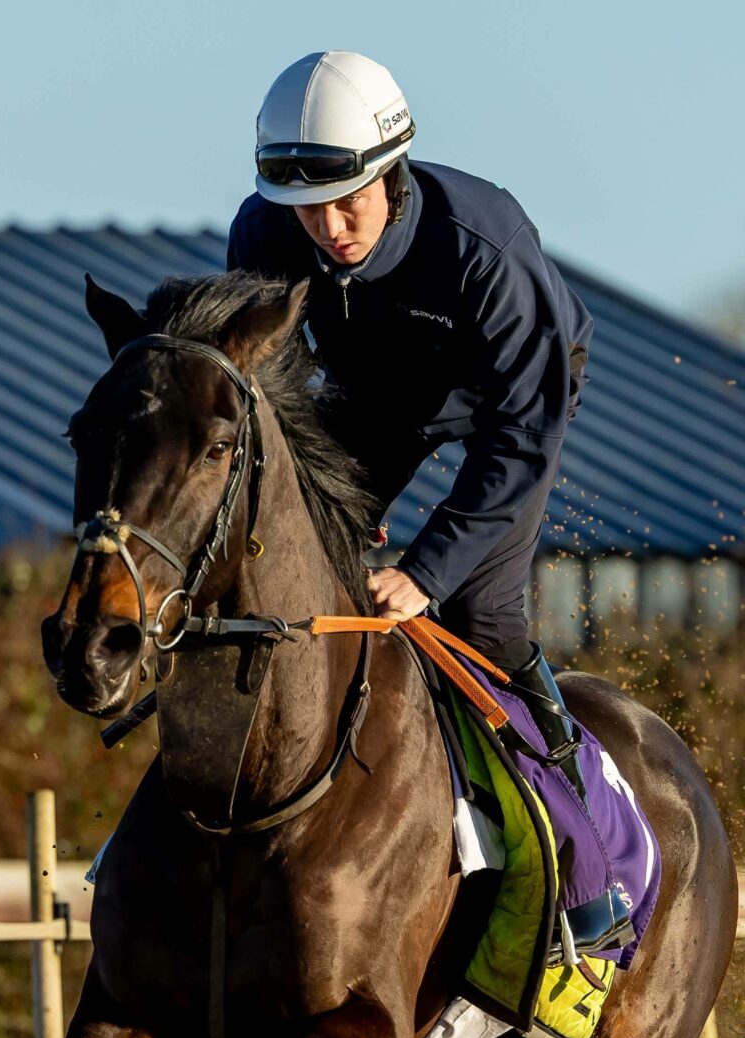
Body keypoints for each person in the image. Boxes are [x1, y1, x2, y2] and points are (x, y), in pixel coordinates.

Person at [228, 49, 595, 796]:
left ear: (390, 176)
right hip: (372, 394)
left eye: (347, 202)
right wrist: (333, 495)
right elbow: (278, 391)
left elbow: (522, 435)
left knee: (477, 609)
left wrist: (426, 572)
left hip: (510, 405)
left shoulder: (486, 248)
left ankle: (576, 810)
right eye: (307, 208)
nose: (329, 228)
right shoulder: (262, 236)